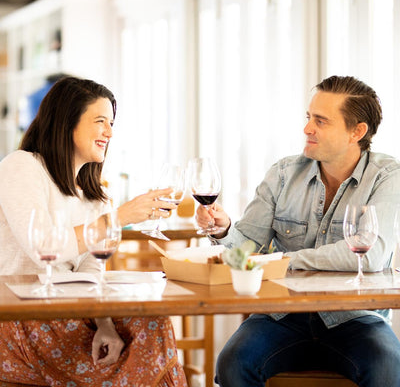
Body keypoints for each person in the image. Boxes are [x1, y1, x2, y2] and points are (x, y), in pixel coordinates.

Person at [196, 75, 400, 387]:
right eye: (309, 117)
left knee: (389, 366)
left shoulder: (386, 176)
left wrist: (284, 260)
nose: (307, 128)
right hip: (282, 315)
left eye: (321, 121)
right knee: (232, 362)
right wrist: (224, 231)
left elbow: (370, 254)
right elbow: (247, 249)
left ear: (356, 132)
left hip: (356, 318)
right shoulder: (283, 173)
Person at [0, 76, 187, 386]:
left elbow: (91, 273)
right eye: (100, 121)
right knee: (145, 352)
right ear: (66, 122)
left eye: (111, 123)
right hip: (20, 317)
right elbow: (43, 245)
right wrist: (119, 217)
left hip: (71, 312)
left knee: (153, 322)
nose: (109, 133)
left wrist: (105, 325)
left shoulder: (96, 196)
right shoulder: (22, 166)